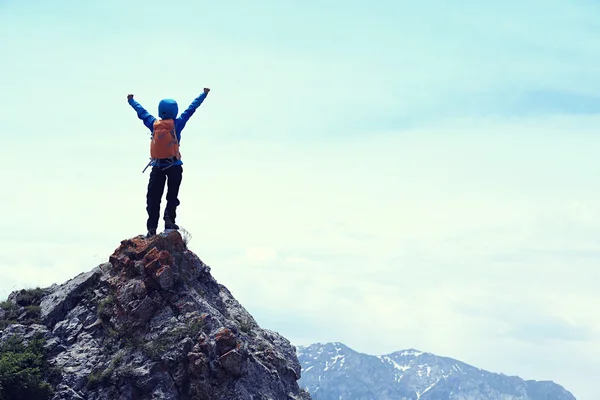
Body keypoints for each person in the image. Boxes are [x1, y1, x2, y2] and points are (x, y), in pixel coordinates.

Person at [127, 88, 210, 237]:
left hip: (157, 166)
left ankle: (152, 227)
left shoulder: (154, 124)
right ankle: (169, 220)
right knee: (172, 195)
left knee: (153, 197)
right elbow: (191, 108)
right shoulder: (177, 124)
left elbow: (141, 112)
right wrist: (203, 94)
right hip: (175, 166)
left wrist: (131, 101)